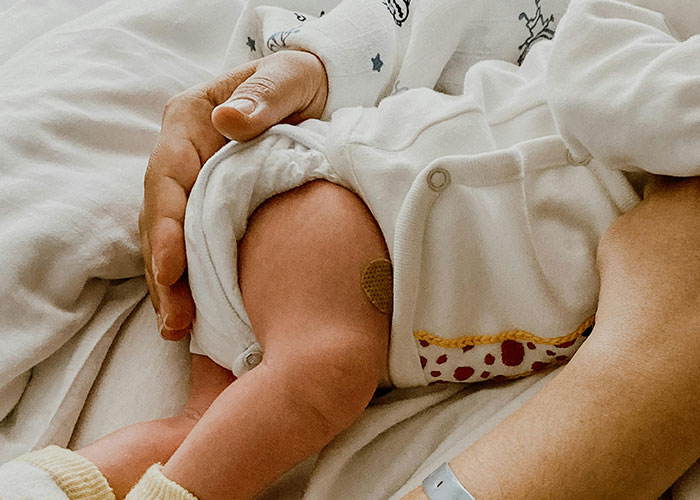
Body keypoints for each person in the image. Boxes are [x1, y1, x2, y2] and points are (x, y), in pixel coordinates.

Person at [2, 0, 700, 499]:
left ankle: (47, 482)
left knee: (202, 427)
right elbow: (595, 74)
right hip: (349, 199)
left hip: (371, 260)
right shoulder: (639, 38)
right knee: (320, 375)